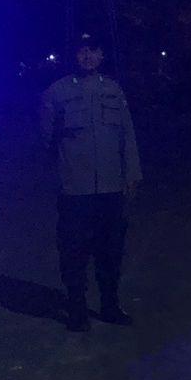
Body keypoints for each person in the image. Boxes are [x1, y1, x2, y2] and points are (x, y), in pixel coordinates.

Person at [39, 33, 142, 332]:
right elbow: (46, 139)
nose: (87, 57)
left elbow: (127, 134)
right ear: (74, 56)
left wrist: (132, 173)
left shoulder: (113, 90)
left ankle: (110, 305)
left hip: (111, 187)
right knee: (74, 251)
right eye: (82, 51)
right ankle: (77, 309)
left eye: (93, 51)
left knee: (111, 251)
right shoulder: (57, 93)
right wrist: (59, 175)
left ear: (101, 56)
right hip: (75, 188)